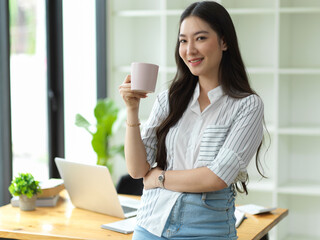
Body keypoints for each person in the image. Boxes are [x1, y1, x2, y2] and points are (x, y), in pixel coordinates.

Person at [119, 1, 265, 239]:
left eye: (200, 38)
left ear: (224, 41)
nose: (189, 50)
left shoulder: (246, 106)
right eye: (183, 40)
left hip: (205, 230)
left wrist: (159, 177)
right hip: (150, 225)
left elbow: (216, 177)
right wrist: (132, 110)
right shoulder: (169, 99)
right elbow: (137, 170)